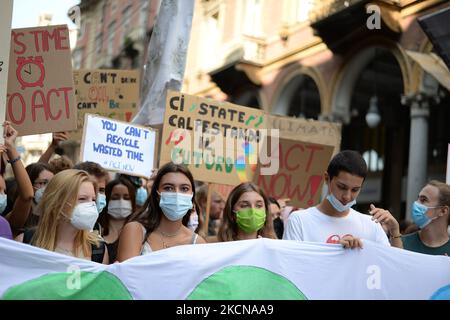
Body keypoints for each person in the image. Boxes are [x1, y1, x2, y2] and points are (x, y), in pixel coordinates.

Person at [283, 150, 402, 249]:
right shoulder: (299, 221)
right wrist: (336, 253)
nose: (347, 196)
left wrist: (394, 231)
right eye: (341, 187)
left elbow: (394, 268)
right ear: (326, 178)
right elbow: (291, 268)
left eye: (355, 190)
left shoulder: (372, 226)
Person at [116, 162, 206, 261]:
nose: (176, 194)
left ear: (192, 195)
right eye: (168, 188)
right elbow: (127, 274)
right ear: (157, 194)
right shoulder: (135, 231)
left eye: (184, 189)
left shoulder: (198, 243)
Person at [16, 169, 108, 263]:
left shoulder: (98, 249)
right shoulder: (26, 241)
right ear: (57, 201)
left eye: (93, 199)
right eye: (82, 199)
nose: (91, 205)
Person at [0, 121, 34, 236]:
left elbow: (27, 196)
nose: (2, 196)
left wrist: (10, 147)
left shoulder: (4, 224)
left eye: (3, 192)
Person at [402, 180, 450, 255]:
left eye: (423, 200)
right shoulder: (401, 243)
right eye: (418, 199)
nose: (416, 204)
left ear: (443, 211)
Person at [96, 178, 136, 263]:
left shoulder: (138, 230)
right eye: (115, 197)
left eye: (126, 197)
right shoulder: (95, 228)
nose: (121, 202)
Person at [23, 162, 54, 228]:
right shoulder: (20, 215)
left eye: (52, 183)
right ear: (29, 184)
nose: (48, 187)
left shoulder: (55, 215)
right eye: (42, 183)